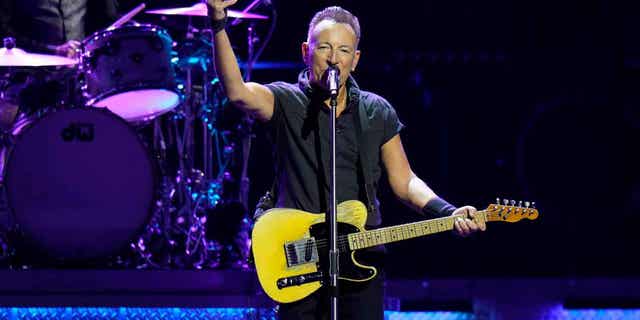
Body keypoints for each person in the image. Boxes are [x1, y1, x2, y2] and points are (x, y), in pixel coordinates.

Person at [207, 1, 487, 319]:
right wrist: (218, 22)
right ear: (305, 51)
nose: (333, 59)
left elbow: (405, 182)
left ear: (355, 60)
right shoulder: (286, 101)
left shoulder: (376, 111)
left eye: (343, 50)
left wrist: (449, 212)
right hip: (300, 256)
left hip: (361, 256)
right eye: (323, 47)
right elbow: (237, 92)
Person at [0, 0, 120, 58]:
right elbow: (4, 32)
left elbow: (108, 21)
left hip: (79, 72)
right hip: (31, 73)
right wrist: (53, 50)